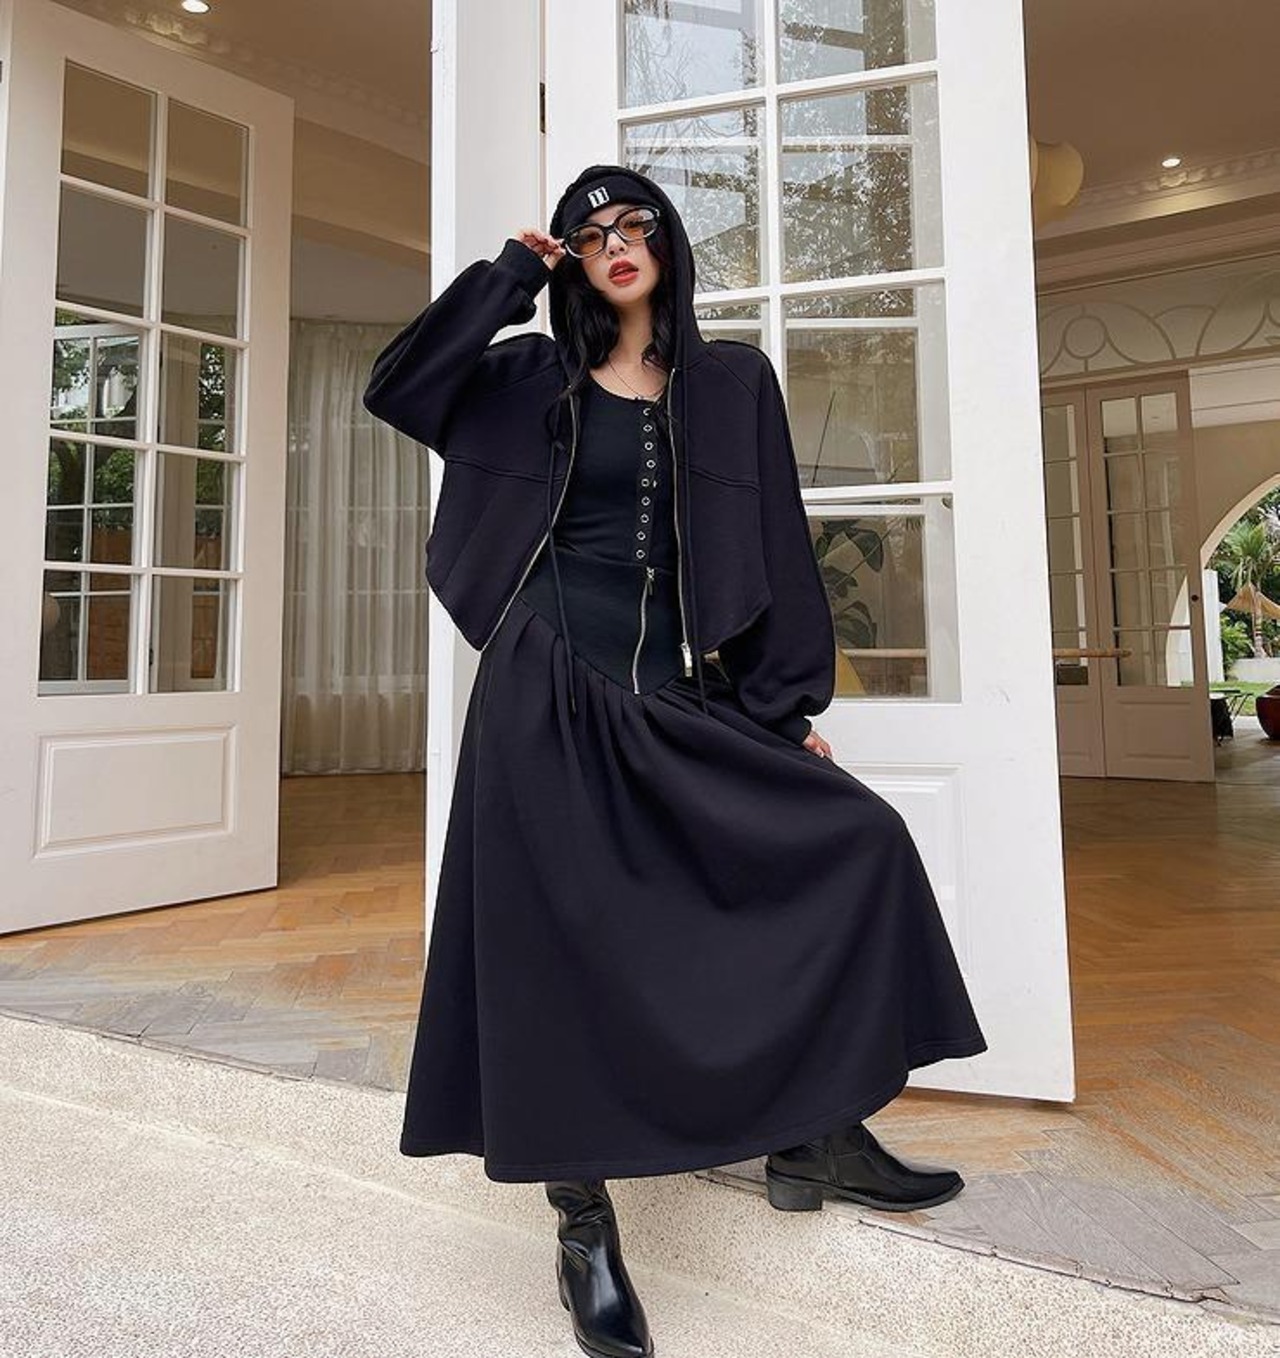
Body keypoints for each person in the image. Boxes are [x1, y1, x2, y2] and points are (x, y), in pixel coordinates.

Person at [364, 164, 988, 1358]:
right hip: (544, 688)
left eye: (632, 224)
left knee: (855, 838)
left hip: (673, 688)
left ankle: (815, 1132)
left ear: (664, 242)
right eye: (588, 233)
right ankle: (582, 1226)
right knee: (557, 942)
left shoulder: (730, 381)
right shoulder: (525, 376)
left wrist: (779, 709)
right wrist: (510, 275)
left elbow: (774, 542)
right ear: (573, 258)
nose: (614, 243)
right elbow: (399, 387)